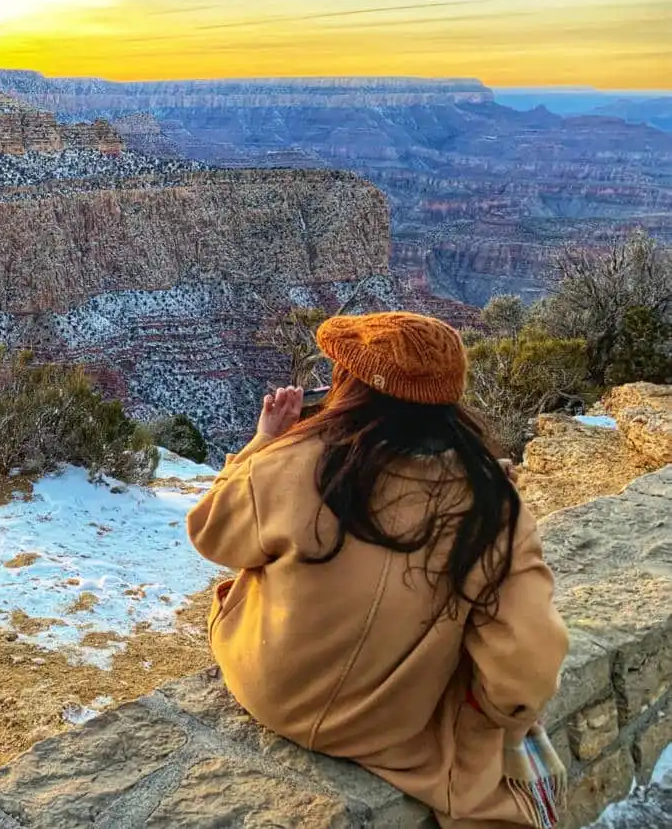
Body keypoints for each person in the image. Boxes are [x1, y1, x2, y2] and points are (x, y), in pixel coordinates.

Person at [188, 312, 570, 829]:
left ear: (352, 389)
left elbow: (211, 532)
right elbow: (525, 669)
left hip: (266, 689)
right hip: (390, 727)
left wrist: (265, 443)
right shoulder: (491, 503)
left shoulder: (295, 461)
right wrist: (492, 713)